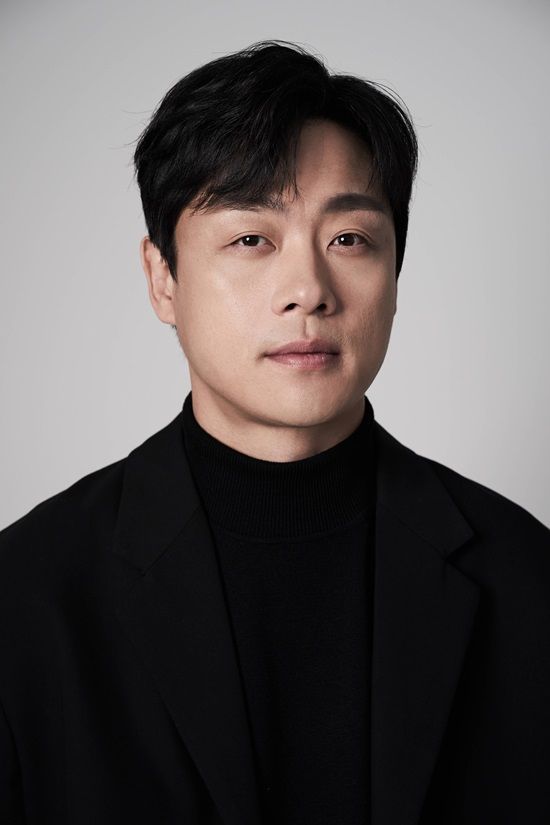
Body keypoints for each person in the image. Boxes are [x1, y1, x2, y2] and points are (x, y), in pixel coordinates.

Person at [0, 39, 548, 825]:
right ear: (162, 277)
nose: (308, 290)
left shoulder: (526, 577)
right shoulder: (27, 596)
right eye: (251, 239)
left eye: (349, 239)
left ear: (396, 273)